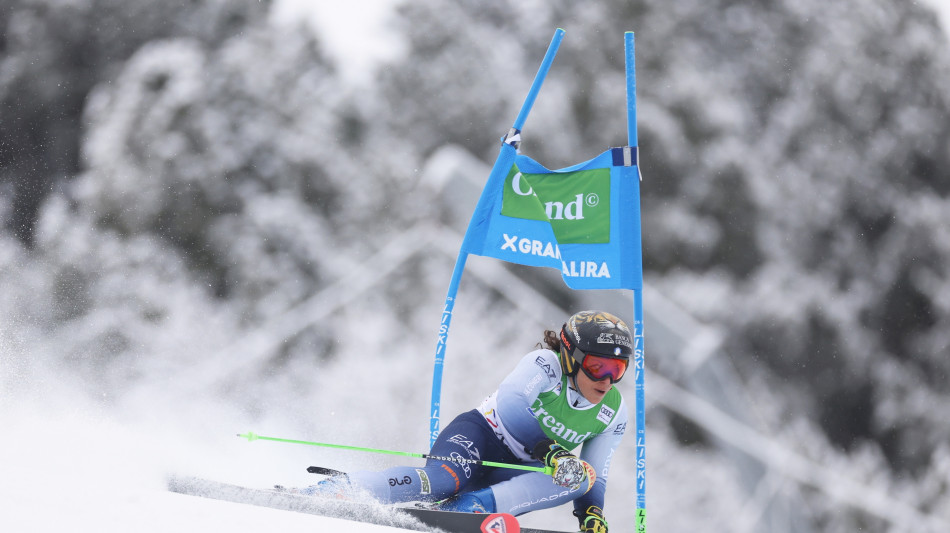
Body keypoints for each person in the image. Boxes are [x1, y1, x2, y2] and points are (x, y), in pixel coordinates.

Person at [303, 310, 631, 533]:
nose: (606, 380)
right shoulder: (545, 365)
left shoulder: (614, 411)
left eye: (617, 370)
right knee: (444, 480)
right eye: (597, 366)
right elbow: (513, 404)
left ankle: (470, 508)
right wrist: (552, 451)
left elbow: (597, 474)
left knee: (582, 476)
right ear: (571, 356)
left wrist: (592, 514)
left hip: (519, 471)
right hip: (482, 437)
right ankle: (343, 488)